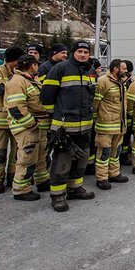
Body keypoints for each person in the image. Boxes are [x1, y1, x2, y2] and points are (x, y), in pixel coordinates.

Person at [41, 40, 96, 212]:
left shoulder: (89, 70)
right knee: (62, 161)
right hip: (65, 127)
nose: (83, 55)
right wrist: (56, 115)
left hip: (85, 126)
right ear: (73, 52)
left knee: (82, 159)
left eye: (86, 52)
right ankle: (57, 195)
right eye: (79, 51)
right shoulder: (60, 68)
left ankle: (75, 188)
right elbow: (46, 97)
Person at [5, 54, 50, 200]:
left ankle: (42, 181)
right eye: (36, 64)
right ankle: (21, 190)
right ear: (32, 65)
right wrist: (33, 125)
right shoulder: (17, 82)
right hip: (27, 129)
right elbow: (17, 109)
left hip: (38, 127)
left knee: (40, 156)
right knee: (27, 159)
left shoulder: (31, 79)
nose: (38, 67)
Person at [0, 46, 24, 194]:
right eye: (17, 61)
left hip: (16, 119)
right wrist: (19, 83)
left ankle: (12, 176)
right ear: (11, 61)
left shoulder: (19, 73)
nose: (18, 64)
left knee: (17, 151)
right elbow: (0, 88)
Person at [93, 59, 130, 190]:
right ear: (115, 69)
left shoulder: (121, 82)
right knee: (104, 152)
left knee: (116, 151)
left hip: (119, 125)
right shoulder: (103, 81)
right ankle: (102, 178)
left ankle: (114, 173)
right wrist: (96, 118)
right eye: (124, 68)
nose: (126, 71)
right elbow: (96, 102)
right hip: (106, 124)